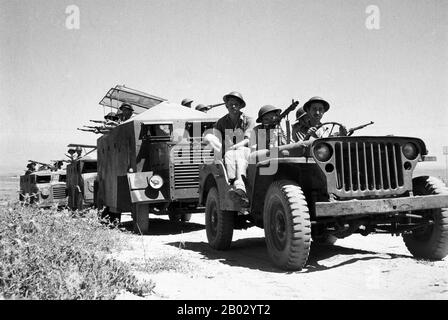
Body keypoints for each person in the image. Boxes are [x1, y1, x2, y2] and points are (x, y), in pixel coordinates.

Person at [204, 91, 254, 204]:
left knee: (237, 153)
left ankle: (238, 185)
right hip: (228, 153)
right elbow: (213, 135)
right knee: (228, 153)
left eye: (236, 104)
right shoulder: (221, 122)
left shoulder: (248, 120)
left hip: (244, 151)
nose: (233, 106)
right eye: (230, 104)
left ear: (241, 106)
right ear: (226, 106)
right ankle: (235, 185)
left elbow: (248, 140)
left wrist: (234, 147)